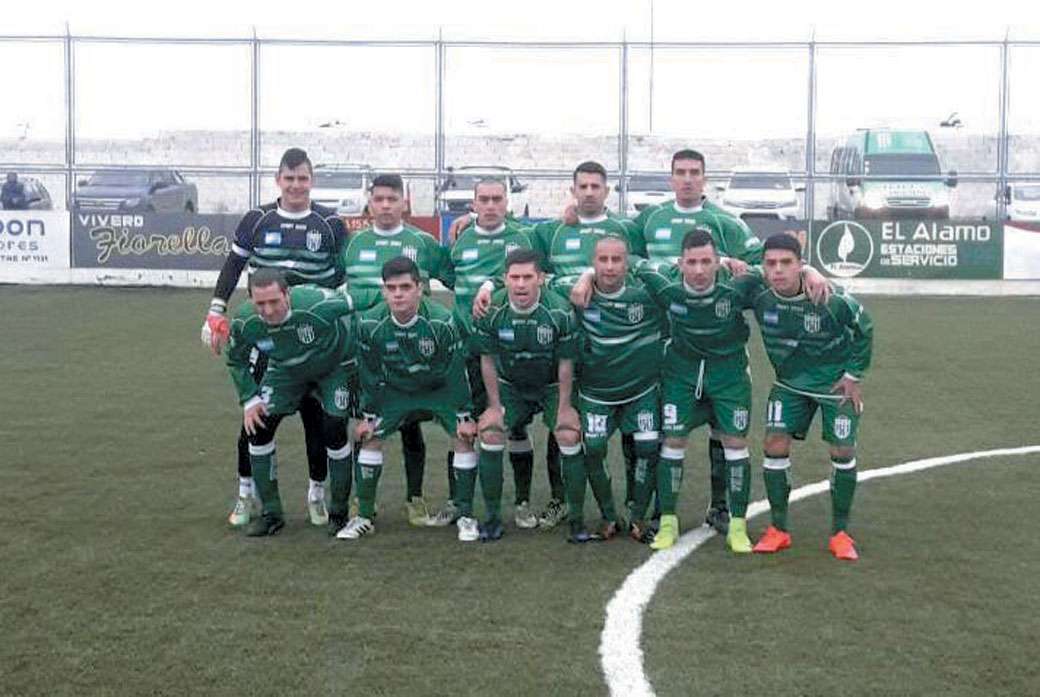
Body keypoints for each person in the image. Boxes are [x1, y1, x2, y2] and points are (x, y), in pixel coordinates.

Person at [473, 160, 642, 529]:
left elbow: (646, 264)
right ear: (573, 190)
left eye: (596, 186)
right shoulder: (551, 231)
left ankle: (632, 501)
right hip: (545, 342)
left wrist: (588, 275)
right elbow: (517, 254)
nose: (589, 192)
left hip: (602, 347)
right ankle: (557, 500)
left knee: (612, 425)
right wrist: (470, 226)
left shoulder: (626, 229)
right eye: (582, 186)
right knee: (556, 427)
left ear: (607, 191)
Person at [201, 148, 347, 529]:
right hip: (270, 333)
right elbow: (234, 264)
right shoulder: (257, 219)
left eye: (303, 178)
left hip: (315, 337)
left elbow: (344, 277)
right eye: (289, 178)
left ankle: (317, 493)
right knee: (255, 419)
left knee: (317, 421)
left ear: (311, 181)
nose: (296, 185)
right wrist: (216, 310)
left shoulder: (330, 223)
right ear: (278, 180)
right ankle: (246, 493)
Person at [629, 149, 766, 536]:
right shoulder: (651, 218)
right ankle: (659, 509)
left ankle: (720, 506)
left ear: (705, 178)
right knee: (662, 430)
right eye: (680, 172)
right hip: (663, 343)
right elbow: (619, 251)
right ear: (670, 178)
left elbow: (762, 262)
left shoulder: (724, 222)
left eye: (694, 173)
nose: (687, 179)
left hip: (719, 346)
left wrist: (739, 265)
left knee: (723, 432)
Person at [339, 173, 456, 528]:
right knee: (367, 424)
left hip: (414, 354)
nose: (386, 205)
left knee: (411, 427)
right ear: (370, 202)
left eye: (393, 199)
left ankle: (414, 498)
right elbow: (334, 291)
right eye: (380, 199)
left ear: (404, 202)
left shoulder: (423, 243)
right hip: (365, 352)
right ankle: (363, 500)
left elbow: (456, 277)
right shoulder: (353, 244)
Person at [749, 234, 873, 561]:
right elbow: (718, 271)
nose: (778, 270)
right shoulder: (758, 292)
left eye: (786, 263)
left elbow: (865, 327)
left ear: (800, 265)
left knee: (842, 448)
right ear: (763, 267)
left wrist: (853, 375)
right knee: (774, 443)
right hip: (789, 383)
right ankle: (778, 529)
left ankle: (840, 533)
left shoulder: (828, 298)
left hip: (834, 386)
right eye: (771, 263)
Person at [344, 257, 478, 542]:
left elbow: (456, 372)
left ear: (420, 288)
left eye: (405, 287)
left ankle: (465, 515)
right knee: (371, 439)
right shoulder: (369, 323)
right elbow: (368, 372)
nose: (398, 294)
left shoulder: (442, 321)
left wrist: (464, 416)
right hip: (396, 390)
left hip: (437, 388)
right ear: (383, 291)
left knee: (463, 438)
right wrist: (368, 415)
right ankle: (364, 516)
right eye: (391, 288)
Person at [225, 269, 357, 537]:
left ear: (287, 294)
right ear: (251, 300)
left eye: (274, 301)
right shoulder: (245, 321)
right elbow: (236, 358)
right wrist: (250, 399)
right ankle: (271, 514)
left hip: (331, 370)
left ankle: (339, 512)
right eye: (260, 303)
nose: (268, 310)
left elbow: (366, 298)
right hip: (285, 372)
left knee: (333, 428)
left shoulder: (317, 303)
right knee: (258, 426)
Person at [551, 235, 664, 542]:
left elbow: (680, 270)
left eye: (617, 260)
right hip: (595, 393)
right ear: (593, 262)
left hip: (641, 392)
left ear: (626, 263)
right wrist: (489, 286)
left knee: (648, 447)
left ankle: (638, 514)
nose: (610, 266)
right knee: (595, 449)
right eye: (603, 260)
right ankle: (609, 515)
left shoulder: (647, 295)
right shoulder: (574, 291)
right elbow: (534, 280)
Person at [450, 178, 546, 530]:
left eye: (497, 199)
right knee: (462, 425)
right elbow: (448, 277)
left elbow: (537, 267)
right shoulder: (460, 238)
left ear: (507, 203)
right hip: (464, 350)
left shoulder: (523, 237)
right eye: (484, 200)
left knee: (514, 425)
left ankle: (521, 502)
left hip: (508, 349)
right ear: (472, 204)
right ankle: (457, 502)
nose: (490, 205)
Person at [473, 249, 586, 542]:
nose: (521, 284)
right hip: (511, 386)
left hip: (550, 386)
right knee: (491, 431)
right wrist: (494, 406)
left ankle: (577, 519)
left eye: (527, 277)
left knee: (569, 434)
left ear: (541, 279)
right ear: (504, 280)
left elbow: (566, 365)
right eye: (515, 278)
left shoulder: (559, 311)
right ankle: (493, 517)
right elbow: (487, 359)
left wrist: (564, 408)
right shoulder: (492, 310)